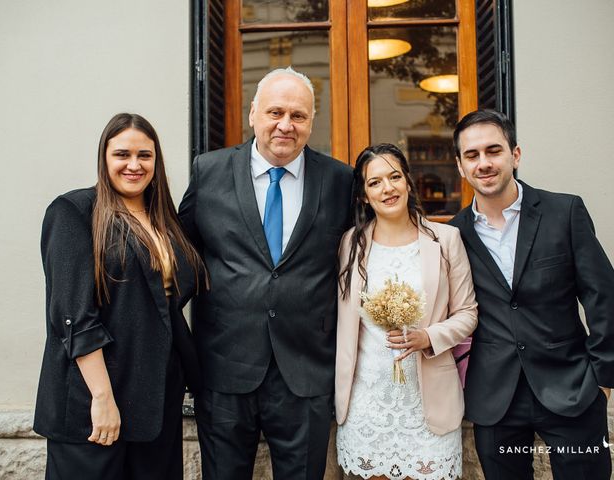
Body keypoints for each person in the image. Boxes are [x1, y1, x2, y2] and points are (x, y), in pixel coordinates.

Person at [178, 67, 353, 479]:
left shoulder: (340, 180)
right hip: (224, 368)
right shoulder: (210, 171)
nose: (286, 125)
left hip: (306, 371)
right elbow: (180, 255)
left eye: (299, 115)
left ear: (312, 121)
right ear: (253, 113)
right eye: (275, 112)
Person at [33, 113, 205, 479]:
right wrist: (103, 398)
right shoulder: (74, 212)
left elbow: (167, 304)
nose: (134, 165)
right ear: (104, 158)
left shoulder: (165, 221)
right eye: (122, 154)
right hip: (92, 398)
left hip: (156, 396)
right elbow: (74, 316)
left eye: (145, 155)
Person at [449, 109, 614, 479]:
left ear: (515, 155)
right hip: (495, 399)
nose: (484, 163)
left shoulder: (564, 211)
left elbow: (603, 297)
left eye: (494, 151)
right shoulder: (452, 234)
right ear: (461, 167)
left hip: (572, 389)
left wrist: (603, 380)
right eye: (472, 155)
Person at [335, 143, 478, 480]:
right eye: (375, 182)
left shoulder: (446, 239)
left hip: (428, 404)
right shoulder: (350, 244)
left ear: (408, 182)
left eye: (395, 176)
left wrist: (428, 336)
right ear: (363, 195)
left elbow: (468, 312)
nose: (388, 188)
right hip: (367, 402)